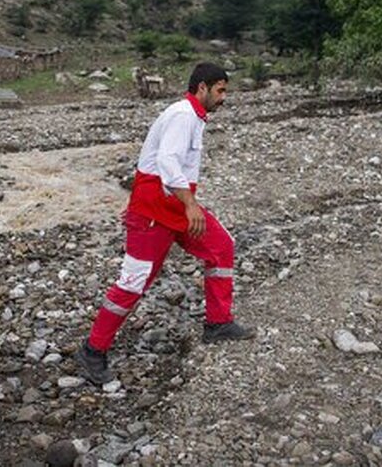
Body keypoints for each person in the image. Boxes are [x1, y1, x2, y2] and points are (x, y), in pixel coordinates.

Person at [76, 62, 254, 385]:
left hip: (175, 207)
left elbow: (161, 163)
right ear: (202, 88)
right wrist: (190, 205)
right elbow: (167, 161)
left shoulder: (194, 117)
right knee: (134, 281)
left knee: (221, 247)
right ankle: (93, 350)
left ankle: (218, 323)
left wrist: (188, 205)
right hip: (157, 210)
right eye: (220, 90)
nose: (224, 97)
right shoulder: (183, 116)